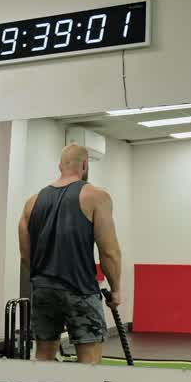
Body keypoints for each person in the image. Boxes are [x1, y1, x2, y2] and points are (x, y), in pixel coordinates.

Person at [17, 144, 122, 364]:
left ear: (59, 166)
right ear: (85, 165)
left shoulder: (32, 202)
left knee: (44, 355)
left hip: (43, 290)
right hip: (80, 289)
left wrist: (43, 279)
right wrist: (116, 290)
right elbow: (109, 252)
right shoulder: (96, 197)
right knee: (89, 358)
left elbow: (25, 255)